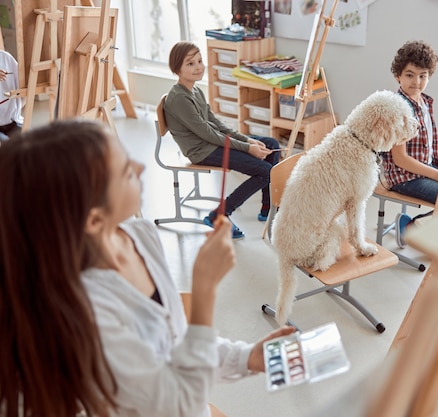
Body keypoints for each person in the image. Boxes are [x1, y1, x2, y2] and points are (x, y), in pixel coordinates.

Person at [0, 119, 294, 417]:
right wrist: (204, 292)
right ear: (93, 220)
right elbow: (178, 406)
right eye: (126, 172)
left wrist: (246, 358)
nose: (140, 168)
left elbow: (176, 344)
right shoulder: (87, 308)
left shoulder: (141, 235)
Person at [164, 41, 281, 240]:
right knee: (265, 172)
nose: (199, 67)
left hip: (211, 141)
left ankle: (268, 207)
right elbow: (207, 134)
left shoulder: (195, 91)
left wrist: (247, 140)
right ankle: (219, 214)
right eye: (190, 64)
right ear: (177, 68)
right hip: (202, 150)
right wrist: (247, 147)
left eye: (200, 61)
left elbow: (216, 124)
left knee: (271, 144)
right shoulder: (179, 99)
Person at [380, 40, 438, 248]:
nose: (416, 82)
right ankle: (412, 226)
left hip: (424, 169)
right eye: (410, 75)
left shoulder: (425, 102)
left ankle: (427, 230)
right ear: (397, 76)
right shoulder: (398, 107)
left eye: (423, 76)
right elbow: (400, 159)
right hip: (404, 177)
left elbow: (431, 144)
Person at [0, 50, 23, 141]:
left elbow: (23, 89)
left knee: (31, 144)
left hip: (13, 122)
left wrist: (16, 111)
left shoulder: (6, 58)